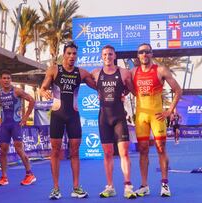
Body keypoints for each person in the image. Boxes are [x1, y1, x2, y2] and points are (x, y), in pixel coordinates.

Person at [40, 41, 96, 200]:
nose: (72, 56)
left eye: (74, 54)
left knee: (75, 152)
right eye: (69, 53)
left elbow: (98, 86)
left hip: (73, 116)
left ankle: (76, 187)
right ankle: (56, 188)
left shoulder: (82, 73)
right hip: (57, 116)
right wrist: (43, 92)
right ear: (63, 54)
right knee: (55, 151)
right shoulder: (54, 70)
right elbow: (43, 87)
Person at [131, 43, 182, 197]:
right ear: (138, 55)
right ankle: (144, 185)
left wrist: (169, 111)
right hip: (141, 116)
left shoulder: (160, 70)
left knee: (160, 148)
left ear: (151, 54)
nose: (144, 54)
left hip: (157, 116)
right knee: (143, 150)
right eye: (141, 52)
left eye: (147, 51)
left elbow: (178, 90)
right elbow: (128, 89)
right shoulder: (133, 72)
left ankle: (165, 184)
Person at [91, 45, 136, 199]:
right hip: (104, 118)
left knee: (124, 152)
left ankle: (128, 185)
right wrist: (99, 92)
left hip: (119, 117)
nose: (108, 57)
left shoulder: (123, 73)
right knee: (108, 153)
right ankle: (110, 186)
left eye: (110, 54)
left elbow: (132, 89)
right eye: (105, 54)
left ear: (114, 55)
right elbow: (91, 84)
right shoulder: (96, 73)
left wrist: (124, 93)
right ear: (101, 56)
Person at [0, 69, 36, 187]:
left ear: (11, 80)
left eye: (8, 78)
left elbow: (32, 100)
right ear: (1, 80)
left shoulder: (17, 91)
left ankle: (30, 174)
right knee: (3, 150)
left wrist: (25, 117)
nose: (6, 80)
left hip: (16, 124)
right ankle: (4, 177)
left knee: (19, 149)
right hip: (5, 125)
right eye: (4, 78)